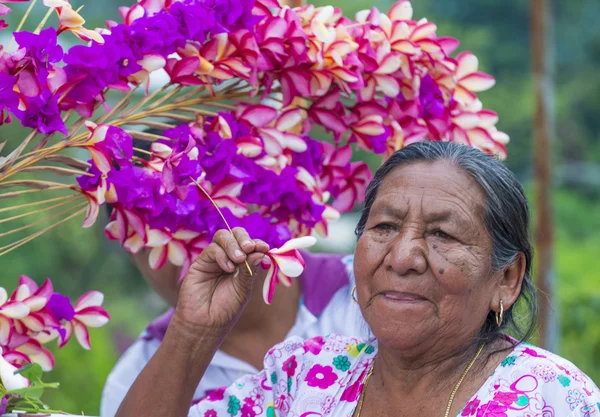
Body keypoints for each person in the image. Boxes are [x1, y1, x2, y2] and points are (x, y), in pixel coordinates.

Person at [116, 141, 600, 417]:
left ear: (507, 278)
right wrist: (194, 330)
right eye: (385, 227)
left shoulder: (553, 397)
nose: (404, 256)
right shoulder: (306, 377)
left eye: (442, 234)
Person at [101, 232, 363, 416]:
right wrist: (189, 335)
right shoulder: (133, 380)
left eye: (195, 218)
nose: (185, 256)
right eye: (154, 239)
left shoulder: (368, 294)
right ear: (130, 252)